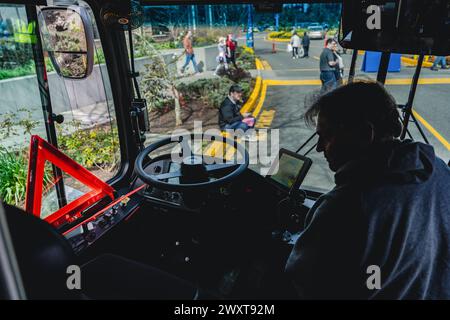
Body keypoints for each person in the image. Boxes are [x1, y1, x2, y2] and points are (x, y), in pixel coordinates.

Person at [285, 81, 450, 299]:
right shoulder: (439, 170)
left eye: (327, 135)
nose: (319, 147)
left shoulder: (345, 204)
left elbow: (302, 278)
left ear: (364, 133)